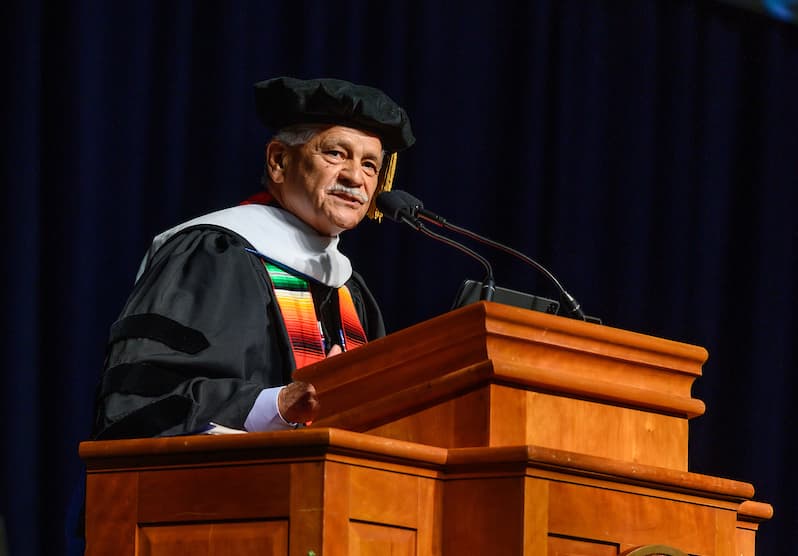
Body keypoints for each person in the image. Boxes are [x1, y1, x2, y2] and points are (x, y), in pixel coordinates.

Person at [91, 76, 415, 439]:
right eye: (336, 153)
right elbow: (139, 402)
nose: (356, 177)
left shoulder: (350, 289)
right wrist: (276, 406)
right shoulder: (213, 253)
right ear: (279, 161)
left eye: (370, 165)